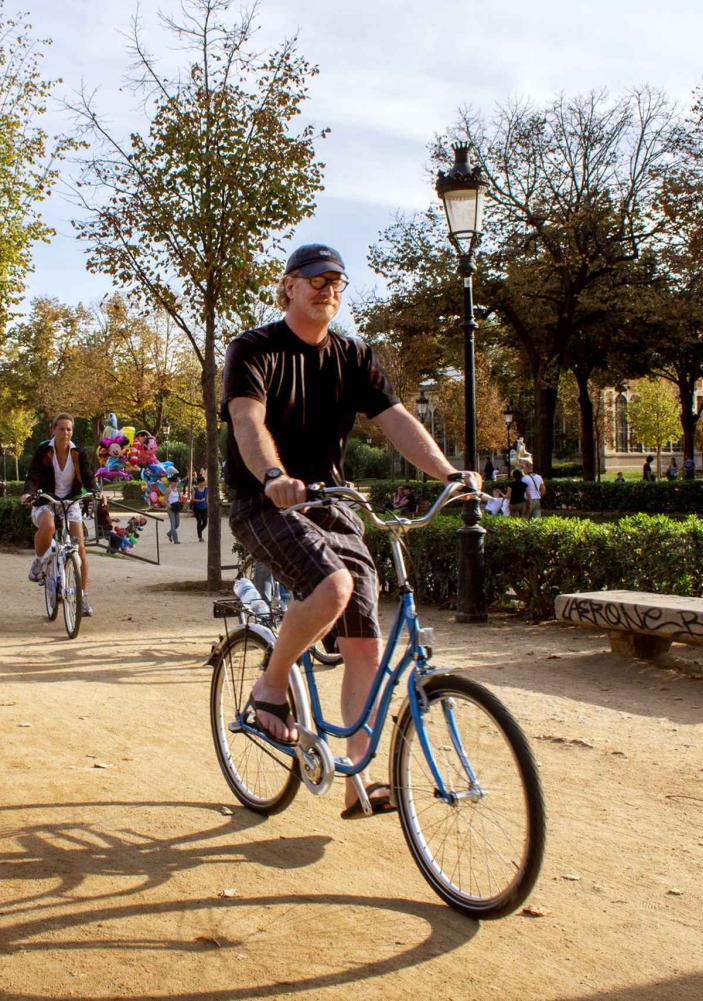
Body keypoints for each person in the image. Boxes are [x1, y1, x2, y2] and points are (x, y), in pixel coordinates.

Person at [223, 241, 480, 819]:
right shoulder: (254, 348)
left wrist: (448, 473)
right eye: (315, 279)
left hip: (334, 500)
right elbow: (247, 419)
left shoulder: (353, 356)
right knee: (332, 588)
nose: (327, 289)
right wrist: (272, 475)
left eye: (336, 281)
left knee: (365, 639)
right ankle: (272, 683)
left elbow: (397, 422)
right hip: (263, 501)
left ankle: (358, 781)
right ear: (288, 286)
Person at [21, 412, 99, 615]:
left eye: (69, 429)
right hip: (46, 499)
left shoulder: (78, 453)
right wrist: (27, 493)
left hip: (70, 501)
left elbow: (88, 476)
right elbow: (32, 475)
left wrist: (96, 492)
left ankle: (81, 597)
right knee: (48, 526)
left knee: (80, 548)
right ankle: (39, 562)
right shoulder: (43, 451)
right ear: (53, 430)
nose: (66, 432)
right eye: (62, 428)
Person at [192, 474, 209, 542]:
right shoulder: (195, 489)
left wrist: (208, 506)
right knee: (199, 521)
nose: (203, 483)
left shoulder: (206, 489)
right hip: (197, 507)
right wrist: (199, 500)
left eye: (203, 482)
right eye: (202, 482)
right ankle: (200, 537)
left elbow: (207, 498)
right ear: (199, 482)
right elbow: (192, 499)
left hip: (204, 507)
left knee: (205, 523)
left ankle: (199, 531)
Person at [166, 477, 184, 543]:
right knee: (173, 524)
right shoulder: (169, 490)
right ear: (171, 482)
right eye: (174, 481)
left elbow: (179, 499)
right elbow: (164, 500)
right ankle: (176, 540)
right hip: (170, 508)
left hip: (176, 508)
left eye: (176, 481)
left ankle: (169, 533)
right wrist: (168, 505)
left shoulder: (178, 490)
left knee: (177, 524)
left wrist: (181, 502)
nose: (176, 483)